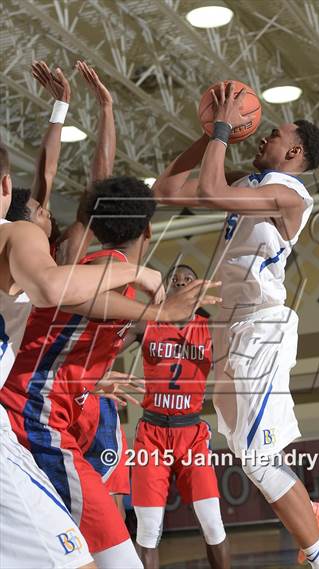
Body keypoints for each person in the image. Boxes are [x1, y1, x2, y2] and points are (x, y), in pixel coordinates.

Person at [152, 82, 319, 569]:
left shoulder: (290, 195)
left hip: (262, 327)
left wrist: (224, 127)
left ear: (296, 150)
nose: (262, 137)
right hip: (230, 326)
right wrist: (206, 135)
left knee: (259, 457)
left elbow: (210, 189)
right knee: (250, 454)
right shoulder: (251, 183)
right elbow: (165, 191)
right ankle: (312, 514)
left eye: (274, 135)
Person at [1, 174, 220, 569]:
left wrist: (89, 376)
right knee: (117, 554)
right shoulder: (110, 267)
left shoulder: (102, 269)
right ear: (149, 230)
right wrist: (162, 313)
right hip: (35, 417)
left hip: (51, 412)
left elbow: (57, 335)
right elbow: (80, 307)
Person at [0, 139, 156, 569]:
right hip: (36, 410)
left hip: (67, 395)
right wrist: (158, 307)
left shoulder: (50, 254)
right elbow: (64, 297)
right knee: (97, 543)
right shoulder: (70, 261)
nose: (46, 213)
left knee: (104, 522)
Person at [125, 264, 230, 569]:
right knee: (148, 531)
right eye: (176, 281)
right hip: (152, 435)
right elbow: (103, 352)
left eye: (189, 280)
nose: (183, 285)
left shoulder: (210, 328)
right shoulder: (146, 323)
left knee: (213, 524)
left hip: (191, 434)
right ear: (167, 290)